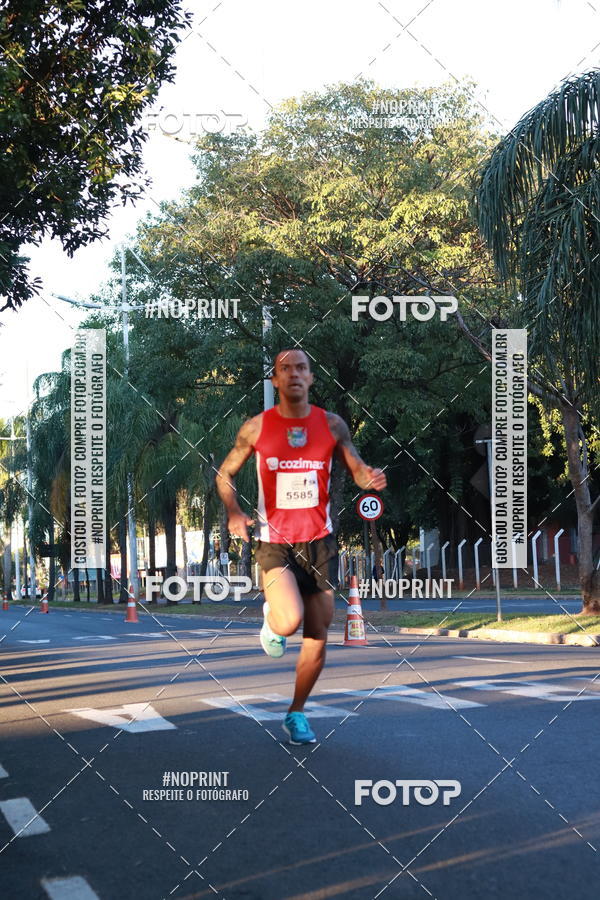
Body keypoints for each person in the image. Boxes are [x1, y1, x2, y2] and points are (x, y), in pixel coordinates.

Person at [216, 348, 386, 745]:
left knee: (317, 634)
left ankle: (296, 712)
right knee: (289, 620)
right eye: (285, 369)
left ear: (311, 378)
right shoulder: (256, 428)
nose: (294, 374)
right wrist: (234, 512)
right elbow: (225, 474)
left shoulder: (332, 425)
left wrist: (370, 478)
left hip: (320, 542)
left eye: (302, 368)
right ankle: (271, 617)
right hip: (275, 542)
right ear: (275, 380)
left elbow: (356, 468)